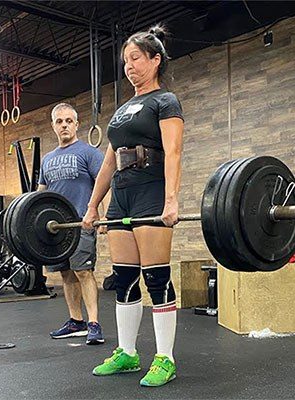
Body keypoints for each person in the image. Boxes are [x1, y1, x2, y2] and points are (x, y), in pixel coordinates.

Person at [82, 25, 184, 387]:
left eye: (136, 58)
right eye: (126, 61)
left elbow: (172, 151)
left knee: (156, 277)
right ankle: (127, 353)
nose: (129, 66)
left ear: (156, 60)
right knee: (124, 277)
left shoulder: (165, 101)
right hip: (122, 193)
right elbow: (108, 163)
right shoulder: (122, 110)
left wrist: (171, 199)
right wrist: (93, 206)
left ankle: (165, 358)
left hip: (151, 188)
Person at [39, 102, 106, 345]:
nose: (64, 125)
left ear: (77, 124)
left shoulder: (89, 153)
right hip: (55, 228)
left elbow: (102, 184)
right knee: (66, 274)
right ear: (53, 126)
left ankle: (94, 324)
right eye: (59, 121)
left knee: (83, 272)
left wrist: (103, 215)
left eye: (69, 121)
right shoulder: (47, 160)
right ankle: (75, 321)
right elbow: (41, 194)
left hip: (81, 222)